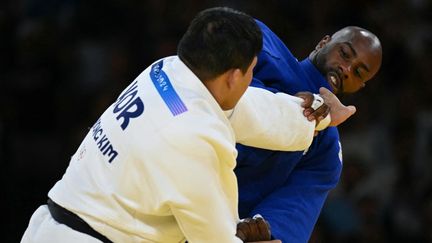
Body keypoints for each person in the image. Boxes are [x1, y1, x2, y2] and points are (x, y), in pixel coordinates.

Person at [20, 7, 355, 243]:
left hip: (55, 224)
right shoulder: (195, 140)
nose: (255, 80)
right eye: (253, 71)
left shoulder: (167, 71)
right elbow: (215, 238)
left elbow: (250, 109)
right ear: (234, 76)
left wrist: (320, 115)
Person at [235, 20, 383, 243]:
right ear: (324, 42)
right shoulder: (263, 44)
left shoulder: (327, 151)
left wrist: (268, 233)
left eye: (358, 72)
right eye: (344, 53)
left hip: (216, 224)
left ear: (359, 87)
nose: (346, 69)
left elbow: (286, 217)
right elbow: (219, 95)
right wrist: (301, 111)